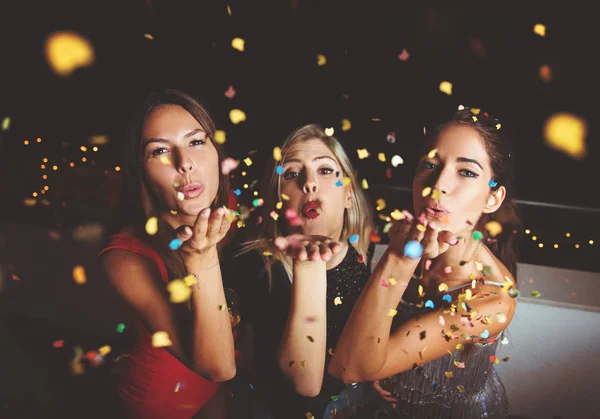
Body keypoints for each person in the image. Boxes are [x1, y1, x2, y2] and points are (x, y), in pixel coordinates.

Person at [329, 108, 519, 418]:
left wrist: (398, 260)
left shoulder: (494, 300)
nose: (438, 184)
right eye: (429, 165)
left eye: (467, 172)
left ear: (493, 199)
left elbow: (350, 368)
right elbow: (364, 351)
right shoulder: (412, 241)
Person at [98, 89, 237, 419]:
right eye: (159, 150)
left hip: (215, 393)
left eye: (196, 142)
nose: (184, 163)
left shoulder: (228, 217)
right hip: (160, 403)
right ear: (142, 172)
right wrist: (200, 257)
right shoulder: (125, 257)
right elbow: (218, 367)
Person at [230, 124, 377, 418]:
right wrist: (309, 263)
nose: (309, 183)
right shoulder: (256, 267)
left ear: (348, 195)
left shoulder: (360, 254)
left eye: (324, 170)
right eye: (293, 174)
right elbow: (305, 383)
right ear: (278, 199)